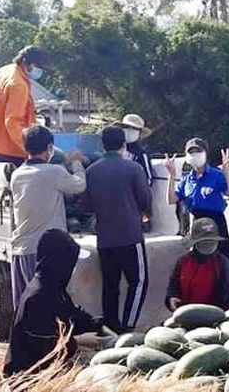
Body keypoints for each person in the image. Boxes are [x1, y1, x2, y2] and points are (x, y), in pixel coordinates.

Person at [3, 229, 104, 377]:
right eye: (71, 263)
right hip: (29, 376)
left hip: (50, 367)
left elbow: (72, 315)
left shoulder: (54, 288)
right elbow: (44, 343)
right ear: (60, 263)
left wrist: (97, 323)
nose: (73, 268)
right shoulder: (37, 297)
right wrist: (78, 341)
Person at [9, 126, 87, 310]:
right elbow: (79, 186)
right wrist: (76, 163)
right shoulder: (54, 172)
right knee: (46, 307)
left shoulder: (17, 174)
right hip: (45, 252)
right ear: (49, 148)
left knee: (25, 307)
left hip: (22, 249)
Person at [82, 126, 151, 334]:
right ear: (123, 145)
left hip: (105, 238)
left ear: (102, 145)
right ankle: (127, 326)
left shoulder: (91, 170)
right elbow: (145, 198)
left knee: (110, 285)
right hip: (130, 235)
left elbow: (85, 205)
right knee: (138, 281)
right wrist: (146, 214)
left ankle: (111, 326)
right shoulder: (133, 168)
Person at [0, 46, 50, 167]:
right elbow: (13, 122)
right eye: (39, 67)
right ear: (28, 63)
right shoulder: (18, 85)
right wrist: (31, 149)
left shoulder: (4, 71)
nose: (41, 71)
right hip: (9, 148)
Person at [165, 138, 229, 259]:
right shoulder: (186, 180)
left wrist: (227, 172)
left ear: (206, 154)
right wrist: (171, 175)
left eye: (198, 151)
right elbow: (171, 199)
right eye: (191, 152)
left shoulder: (216, 175)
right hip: (196, 222)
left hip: (217, 222)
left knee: (222, 261)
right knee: (200, 260)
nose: (195, 154)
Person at [165, 218, 229, 311]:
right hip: (184, 313)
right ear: (195, 243)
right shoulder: (183, 261)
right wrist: (172, 297)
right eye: (203, 242)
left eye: (211, 242)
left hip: (214, 316)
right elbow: (174, 285)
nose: (208, 246)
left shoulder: (223, 264)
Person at [117, 114, 155, 186]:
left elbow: (148, 180)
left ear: (139, 132)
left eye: (134, 128)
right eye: (126, 127)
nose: (129, 130)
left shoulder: (141, 154)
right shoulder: (114, 149)